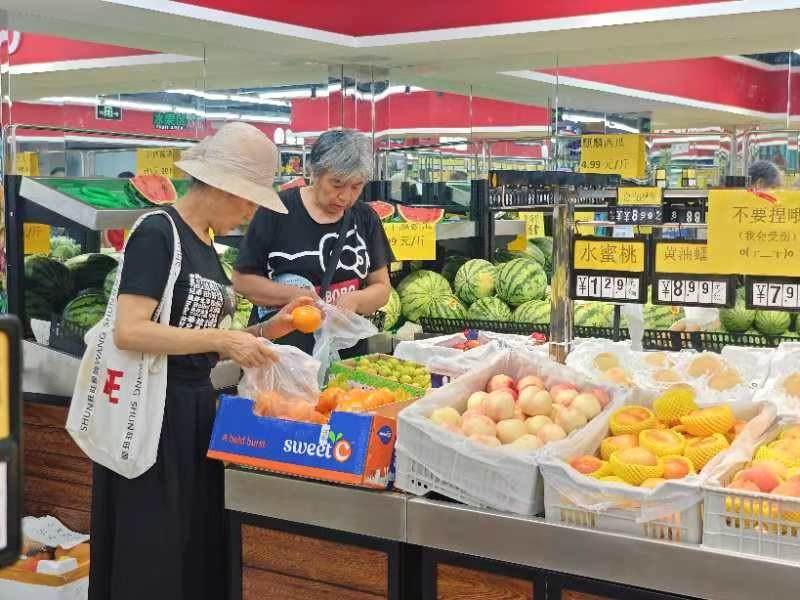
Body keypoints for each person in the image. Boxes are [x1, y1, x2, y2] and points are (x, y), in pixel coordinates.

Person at [89, 122, 315, 600]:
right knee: (154, 548)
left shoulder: (207, 244)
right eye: (249, 201)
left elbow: (203, 342)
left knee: (193, 545)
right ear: (221, 186)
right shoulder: (158, 233)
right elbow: (130, 330)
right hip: (152, 415)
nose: (251, 213)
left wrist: (267, 331)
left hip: (195, 410)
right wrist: (223, 339)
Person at [233, 128, 393, 354]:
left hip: (345, 350)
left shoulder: (365, 217)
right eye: (336, 183)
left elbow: (382, 288)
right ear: (314, 173)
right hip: (284, 352)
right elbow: (243, 281)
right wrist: (296, 296)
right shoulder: (276, 209)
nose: (345, 196)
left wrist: (356, 300)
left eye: (356, 186)